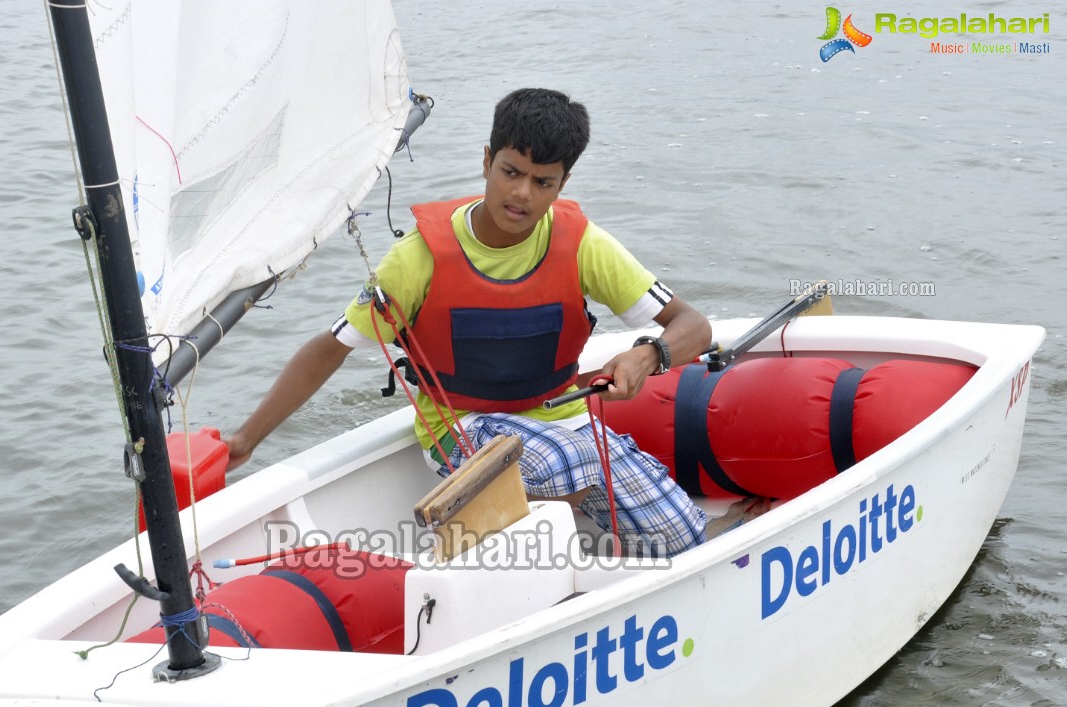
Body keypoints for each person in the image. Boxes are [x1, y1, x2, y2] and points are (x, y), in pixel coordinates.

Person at [224, 88, 711, 556]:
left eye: (542, 182)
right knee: (567, 461)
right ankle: (521, 558)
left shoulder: (583, 244)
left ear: (561, 185)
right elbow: (331, 348)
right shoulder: (418, 258)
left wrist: (649, 354)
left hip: (566, 423)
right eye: (510, 172)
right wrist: (247, 438)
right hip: (462, 428)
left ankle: (549, 548)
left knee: (682, 537)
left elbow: (693, 325)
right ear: (486, 161)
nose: (521, 193)